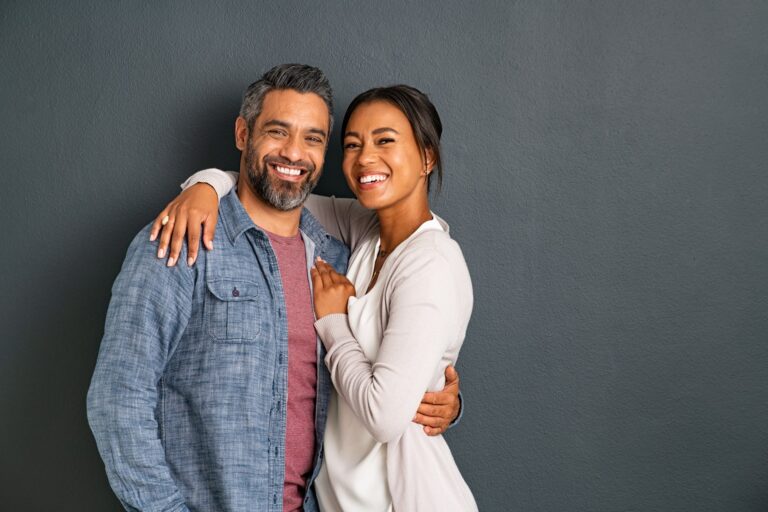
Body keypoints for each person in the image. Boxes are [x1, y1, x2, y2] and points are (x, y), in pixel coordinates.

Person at [86, 64, 460, 512]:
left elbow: (385, 365)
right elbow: (118, 399)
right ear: (243, 134)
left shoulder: (338, 260)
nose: (294, 153)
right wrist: (206, 183)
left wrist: (442, 396)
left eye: (314, 138)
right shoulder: (182, 240)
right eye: (277, 131)